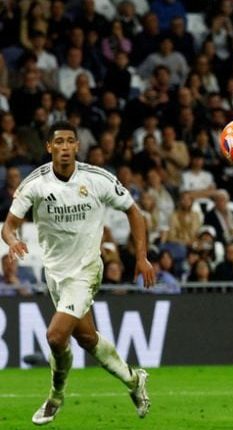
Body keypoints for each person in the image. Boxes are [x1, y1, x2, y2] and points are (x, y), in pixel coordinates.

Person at [1, 121, 155, 425]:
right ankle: (134, 380)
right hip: (55, 273)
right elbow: (9, 226)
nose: (65, 147)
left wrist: (141, 257)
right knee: (86, 338)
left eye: (70, 141)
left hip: (86, 270)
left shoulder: (97, 179)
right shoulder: (35, 183)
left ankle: (55, 397)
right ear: (49, 147)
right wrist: (13, 240)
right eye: (59, 142)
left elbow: (134, 212)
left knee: (56, 336)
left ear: (77, 146)